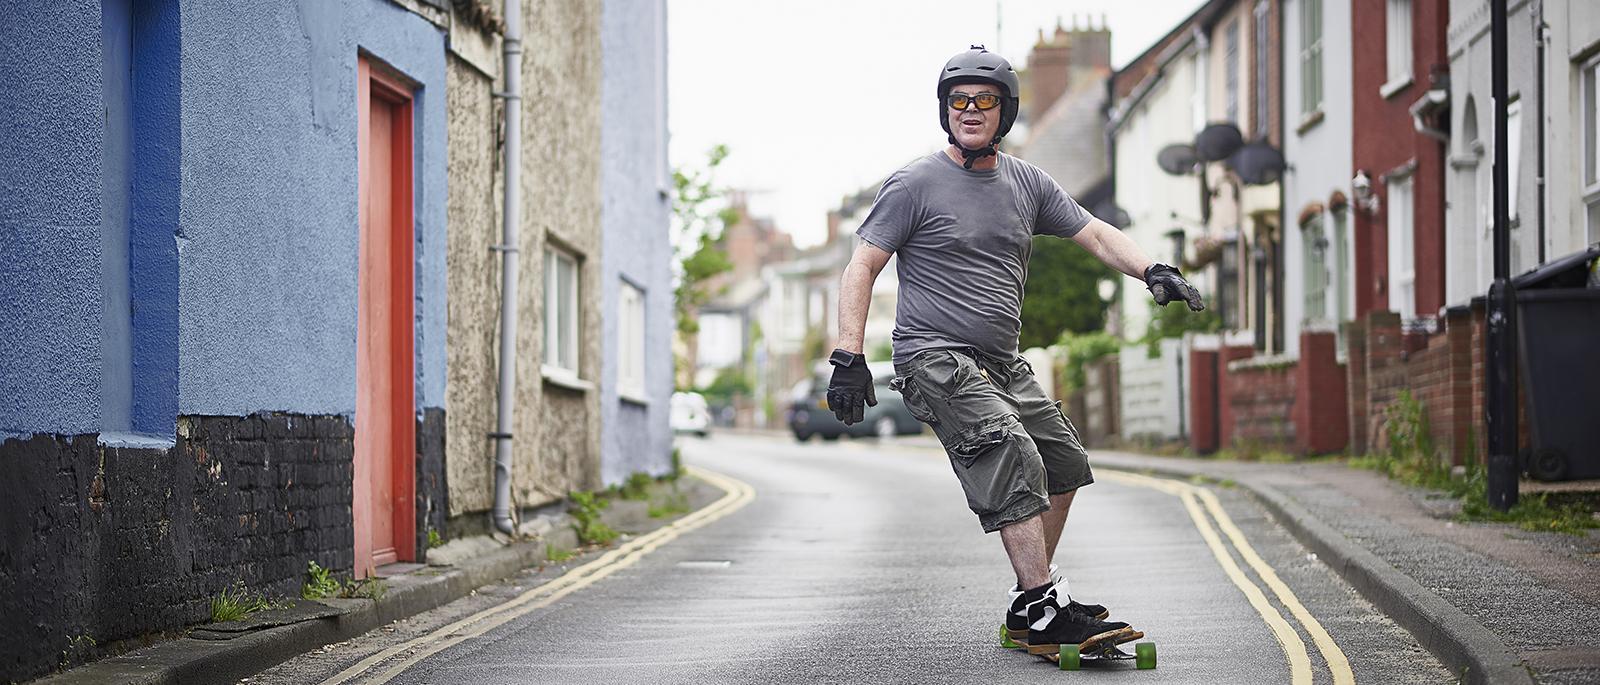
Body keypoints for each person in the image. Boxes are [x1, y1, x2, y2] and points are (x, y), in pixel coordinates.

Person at [825, 46, 1204, 658]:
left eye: (985, 100)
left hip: (1002, 362)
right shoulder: (915, 183)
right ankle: (1046, 601)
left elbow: (1096, 232)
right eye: (959, 100)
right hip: (935, 357)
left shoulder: (1027, 182)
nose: (971, 110)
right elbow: (861, 265)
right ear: (945, 110)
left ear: (1006, 111)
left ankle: (1031, 606)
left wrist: (1152, 268)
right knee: (1008, 445)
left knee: (1063, 463)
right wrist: (848, 355)